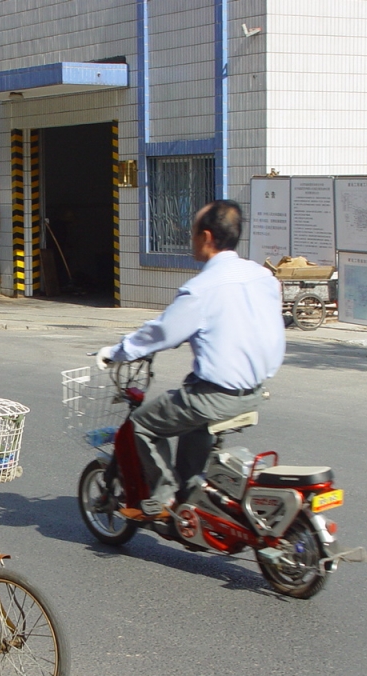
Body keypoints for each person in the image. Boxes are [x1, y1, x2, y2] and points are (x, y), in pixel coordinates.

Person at [97, 199, 285, 520]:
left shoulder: (202, 289)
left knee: (140, 424)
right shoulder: (262, 277)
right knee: (190, 423)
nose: (191, 239)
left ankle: (165, 495)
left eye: (193, 232)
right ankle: (190, 492)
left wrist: (116, 352)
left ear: (207, 237)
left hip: (214, 396)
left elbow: (161, 333)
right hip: (254, 391)